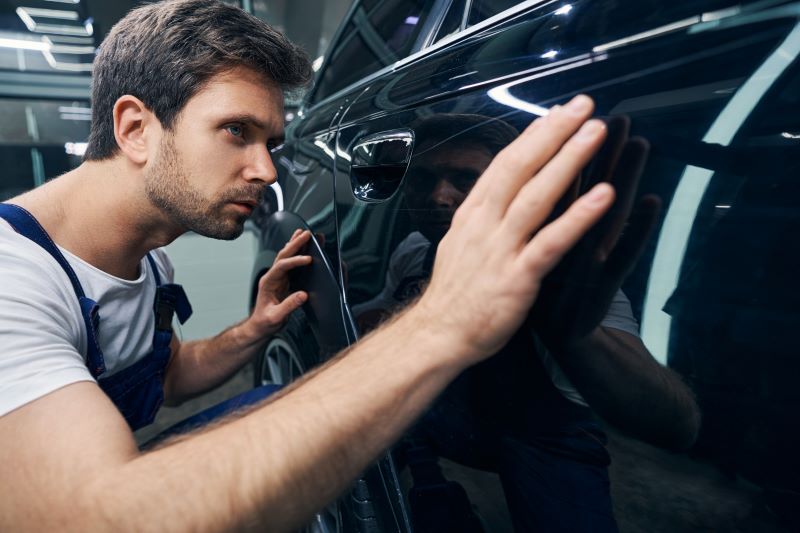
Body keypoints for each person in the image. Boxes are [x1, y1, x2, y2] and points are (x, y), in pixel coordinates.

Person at [0, 1, 658, 531]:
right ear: (136, 128)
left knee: (278, 403)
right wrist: (440, 321)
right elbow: (87, 516)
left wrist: (252, 329)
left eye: (272, 142)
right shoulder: (13, 272)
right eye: (236, 131)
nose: (265, 169)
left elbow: (164, 379)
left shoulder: (148, 258)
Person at [354, 114, 700, 531]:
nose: (439, 197)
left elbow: (676, 425)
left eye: (466, 179)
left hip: (536, 439)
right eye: (423, 178)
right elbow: (384, 306)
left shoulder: (557, 277)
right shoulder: (414, 250)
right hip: (445, 422)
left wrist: (577, 339)